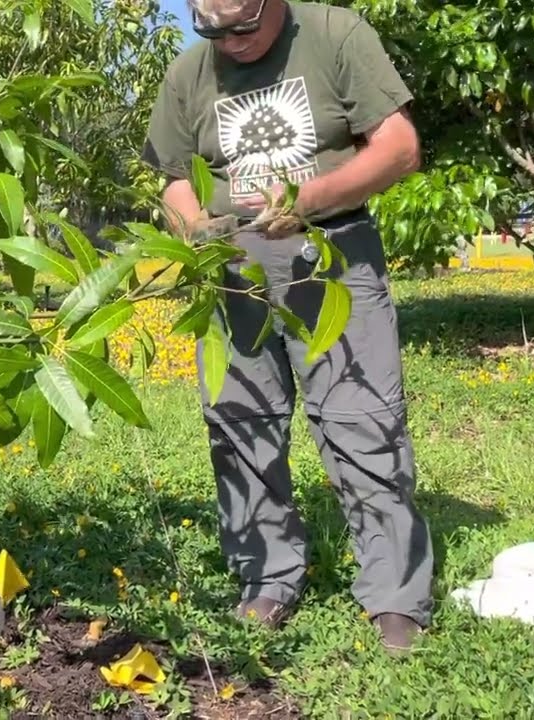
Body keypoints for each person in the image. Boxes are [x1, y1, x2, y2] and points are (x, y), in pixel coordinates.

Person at [139, 0, 434, 652]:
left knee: (361, 417)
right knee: (239, 422)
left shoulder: (335, 36)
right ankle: (267, 578)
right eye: (213, 30)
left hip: (330, 253)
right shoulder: (189, 74)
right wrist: (195, 228)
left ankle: (395, 595)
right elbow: (172, 179)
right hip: (231, 268)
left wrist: (311, 201)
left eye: (244, 26)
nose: (232, 42)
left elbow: (399, 147)